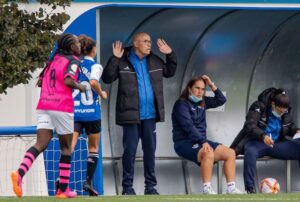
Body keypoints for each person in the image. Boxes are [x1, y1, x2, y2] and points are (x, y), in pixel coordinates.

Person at [10, 33, 85, 198]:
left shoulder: (53, 60)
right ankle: (62, 189)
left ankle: (19, 174)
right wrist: (81, 87)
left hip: (44, 105)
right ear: (71, 47)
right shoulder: (73, 61)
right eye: (77, 43)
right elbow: (68, 80)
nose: (79, 45)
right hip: (61, 106)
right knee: (66, 148)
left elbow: (41, 80)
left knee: (40, 144)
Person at [102, 32, 177, 195]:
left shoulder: (155, 59)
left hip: (150, 116)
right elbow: (107, 78)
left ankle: (150, 187)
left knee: (150, 152)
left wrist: (170, 54)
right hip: (130, 116)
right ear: (135, 44)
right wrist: (114, 58)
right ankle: (127, 187)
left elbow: (170, 72)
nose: (149, 44)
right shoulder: (122, 60)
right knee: (129, 152)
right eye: (145, 41)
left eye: (150, 41)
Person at [172, 75, 241, 194]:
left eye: (203, 89)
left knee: (230, 153)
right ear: (189, 88)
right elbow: (189, 127)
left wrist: (211, 84)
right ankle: (206, 189)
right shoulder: (181, 104)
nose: (200, 92)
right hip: (184, 143)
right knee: (208, 152)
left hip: (201, 141)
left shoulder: (203, 102)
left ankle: (231, 188)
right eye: (197, 88)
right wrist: (203, 141)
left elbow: (221, 100)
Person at [230, 88, 300, 194]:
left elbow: (289, 126)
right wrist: (263, 136)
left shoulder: (285, 112)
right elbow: (250, 125)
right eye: (279, 111)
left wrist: (296, 130)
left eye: (284, 112)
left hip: (276, 145)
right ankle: (250, 189)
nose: (281, 114)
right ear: (273, 104)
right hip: (258, 143)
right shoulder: (258, 106)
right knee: (250, 151)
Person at [71, 34, 107, 196]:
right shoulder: (96, 66)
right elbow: (93, 82)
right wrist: (102, 93)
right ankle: (87, 182)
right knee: (93, 148)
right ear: (93, 50)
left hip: (75, 112)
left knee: (68, 148)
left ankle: (61, 181)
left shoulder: (74, 65)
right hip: (92, 113)